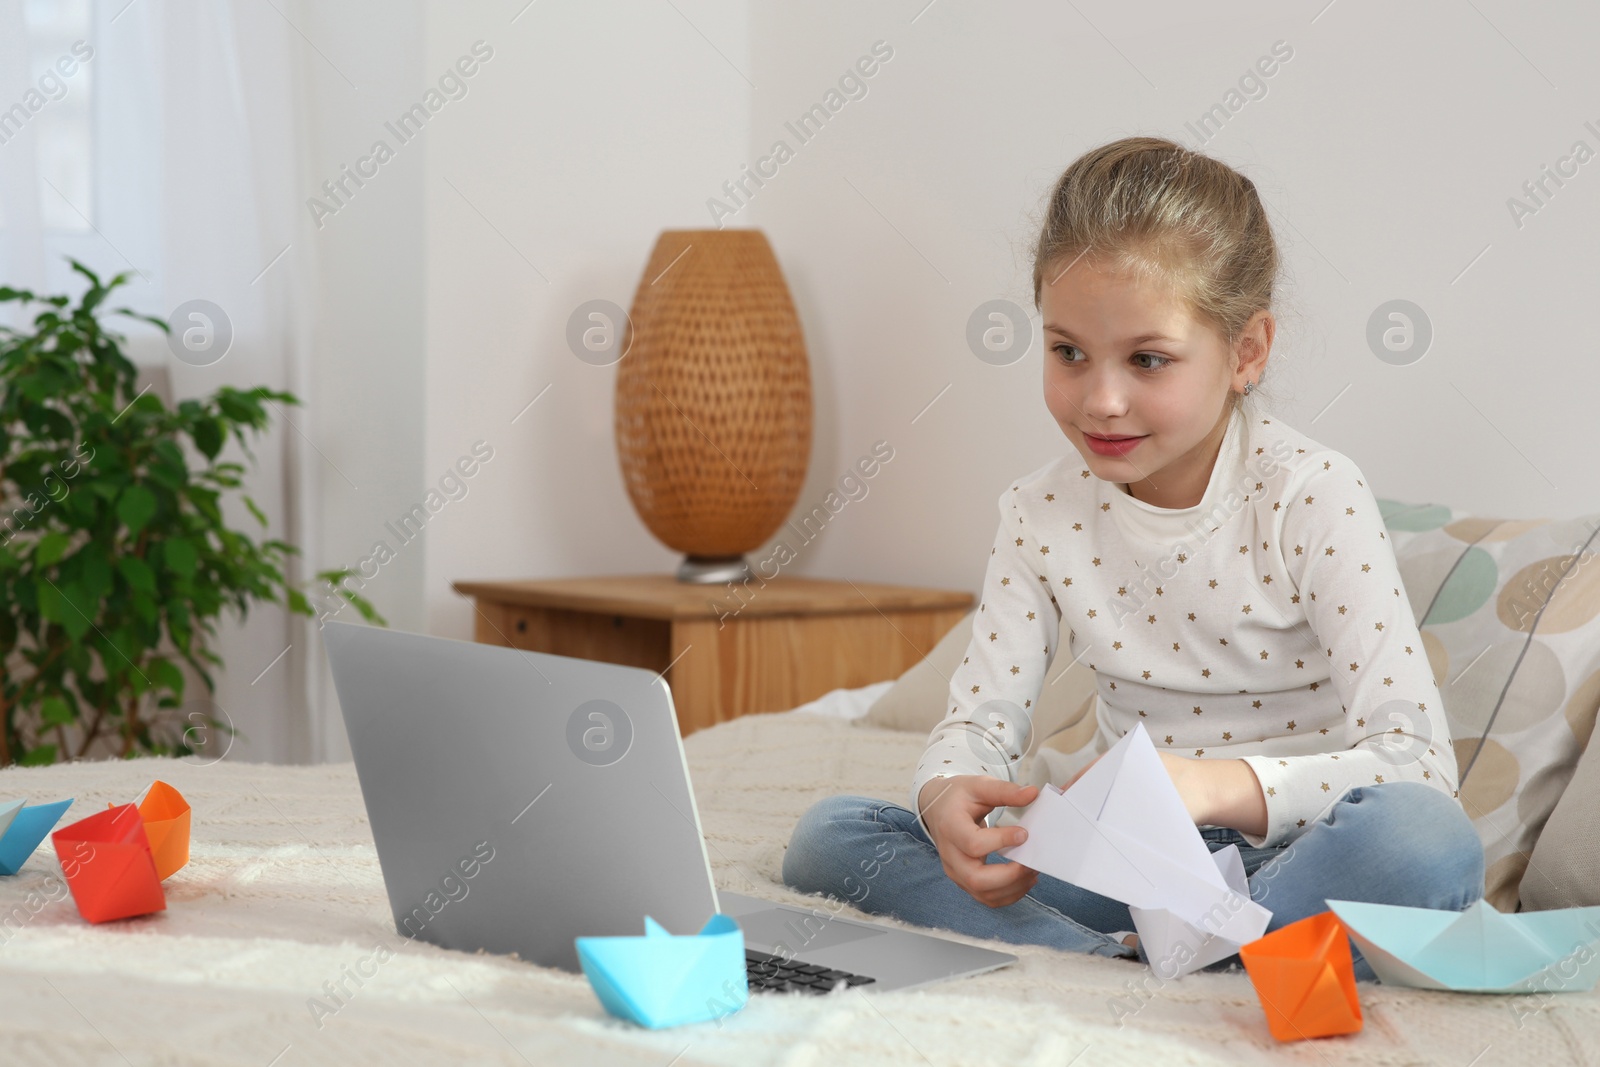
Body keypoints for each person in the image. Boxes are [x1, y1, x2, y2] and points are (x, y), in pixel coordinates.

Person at [782, 135, 1485, 982]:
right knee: (831, 837)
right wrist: (947, 794)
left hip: (1301, 861)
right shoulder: (1039, 513)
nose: (1100, 399)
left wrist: (1210, 785)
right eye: (1067, 351)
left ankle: (1197, 959)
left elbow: (1419, 761)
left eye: (1148, 359)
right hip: (1122, 872)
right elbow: (978, 725)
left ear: (1247, 351)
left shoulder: (1313, 495)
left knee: (1426, 840)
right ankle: (1129, 967)